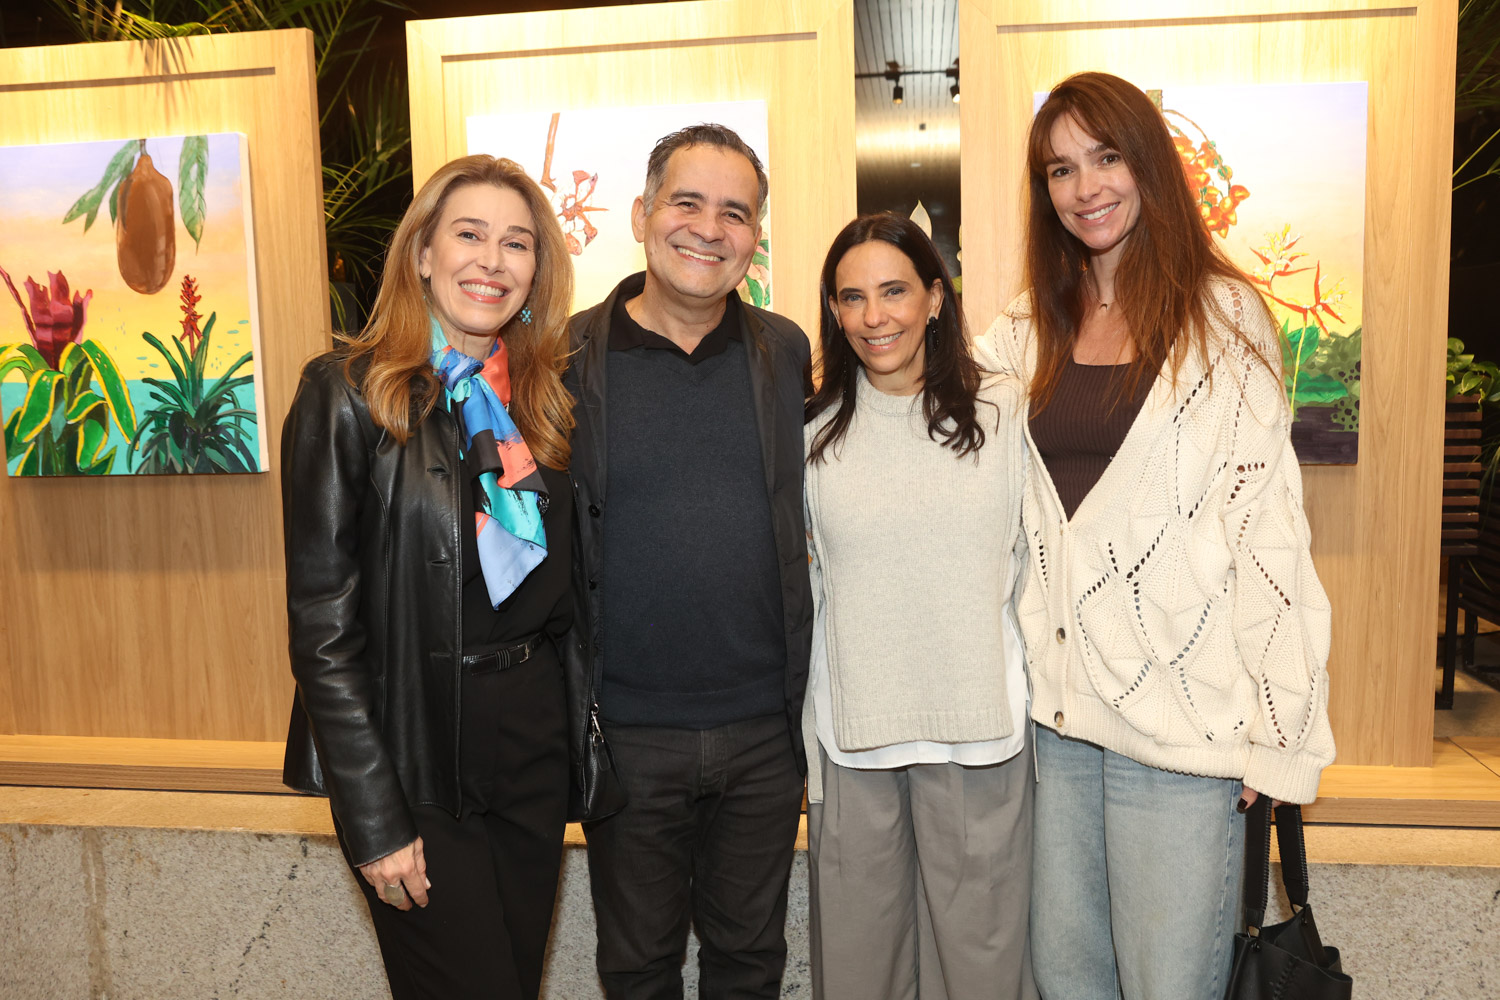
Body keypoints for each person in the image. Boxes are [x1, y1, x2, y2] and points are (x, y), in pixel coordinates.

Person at [980, 71, 1336, 1000]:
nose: (1086, 186)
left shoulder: (1226, 319)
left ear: (1150, 164)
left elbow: (1269, 537)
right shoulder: (1024, 331)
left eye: (1107, 157)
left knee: (1169, 986)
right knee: (1066, 982)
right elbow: (937, 427)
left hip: (1184, 736)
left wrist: (1280, 730)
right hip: (1055, 728)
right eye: (1060, 169)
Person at [280, 154, 580, 1000]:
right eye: (470, 235)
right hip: (416, 756)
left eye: (517, 243)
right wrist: (374, 818)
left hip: (531, 747)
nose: (492, 260)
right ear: (421, 253)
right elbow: (323, 629)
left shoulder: (546, 400)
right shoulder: (346, 394)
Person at [566, 123, 813, 1000]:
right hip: (627, 734)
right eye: (688, 202)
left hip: (762, 733)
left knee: (751, 963)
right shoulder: (564, 361)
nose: (710, 228)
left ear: (755, 236)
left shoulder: (785, 352)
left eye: (735, 212)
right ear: (641, 214)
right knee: (636, 967)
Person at [802, 213, 1037, 1000]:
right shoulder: (813, 433)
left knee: (981, 971)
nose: (876, 317)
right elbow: (807, 592)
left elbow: (1038, 569)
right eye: (853, 297)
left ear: (935, 297)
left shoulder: (1006, 413)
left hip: (982, 737)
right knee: (861, 973)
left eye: (896, 291)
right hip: (854, 740)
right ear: (834, 312)